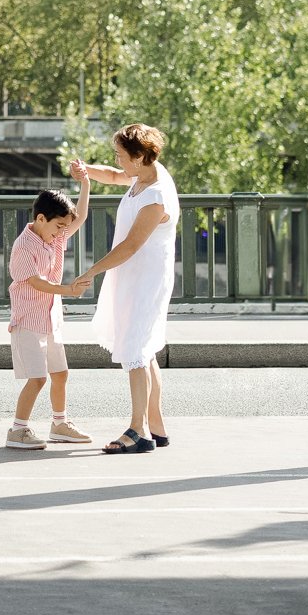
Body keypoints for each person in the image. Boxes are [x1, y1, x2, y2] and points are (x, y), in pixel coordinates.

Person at [73, 123, 179, 455]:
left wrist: (92, 270)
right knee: (144, 351)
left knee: (135, 351)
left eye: (121, 155)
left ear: (138, 157)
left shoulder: (156, 196)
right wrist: (85, 171)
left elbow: (131, 245)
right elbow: (116, 177)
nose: (117, 161)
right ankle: (156, 426)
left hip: (146, 279)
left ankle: (138, 431)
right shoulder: (143, 174)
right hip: (136, 277)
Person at [4, 179, 96, 450]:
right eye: (59, 227)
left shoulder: (51, 235)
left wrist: (86, 184)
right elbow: (36, 282)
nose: (61, 234)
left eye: (63, 229)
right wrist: (68, 290)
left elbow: (82, 216)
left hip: (50, 318)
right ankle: (17, 430)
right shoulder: (24, 247)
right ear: (41, 218)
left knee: (60, 373)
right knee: (38, 378)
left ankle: (59, 424)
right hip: (28, 321)